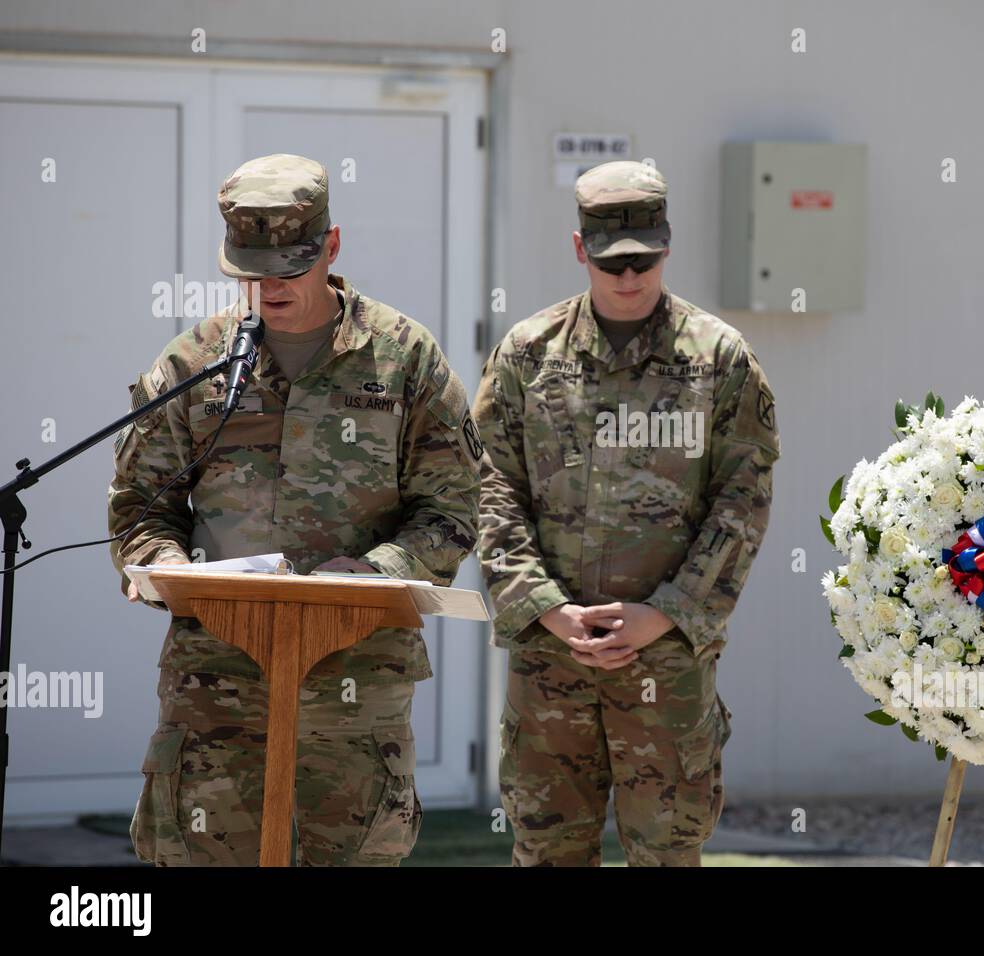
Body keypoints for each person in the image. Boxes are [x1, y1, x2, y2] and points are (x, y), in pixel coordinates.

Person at [108, 153, 481, 866]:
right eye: (250, 270)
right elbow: (139, 508)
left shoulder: (403, 358)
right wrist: (164, 567)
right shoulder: (197, 362)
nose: (269, 287)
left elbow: (454, 507)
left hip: (354, 686)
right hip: (218, 685)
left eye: (289, 267)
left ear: (331, 247)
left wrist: (377, 570)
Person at [473, 159, 780, 866]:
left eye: (643, 259)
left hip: (665, 663)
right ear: (579, 248)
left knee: (667, 854)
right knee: (548, 852)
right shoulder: (526, 354)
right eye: (611, 261)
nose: (628, 276)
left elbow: (743, 504)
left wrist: (664, 613)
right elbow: (490, 490)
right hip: (551, 660)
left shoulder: (719, 361)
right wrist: (545, 606)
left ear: (668, 245)